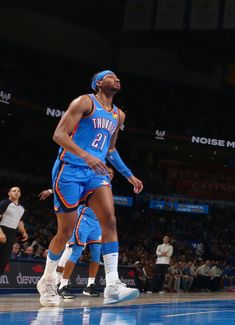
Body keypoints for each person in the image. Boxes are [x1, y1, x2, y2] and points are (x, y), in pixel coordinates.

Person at [37, 70, 143, 306]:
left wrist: (129, 175)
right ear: (98, 83)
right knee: (66, 232)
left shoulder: (119, 115)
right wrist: (86, 156)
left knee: (110, 220)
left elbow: (111, 150)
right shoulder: (85, 101)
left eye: (117, 77)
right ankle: (47, 280)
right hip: (70, 168)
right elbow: (59, 134)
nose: (116, 79)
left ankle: (113, 285)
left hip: (96, 173)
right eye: (110, 76)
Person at [41, 168, 115, 298]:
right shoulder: (92, 181)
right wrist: (51, 191)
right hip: (84, 218)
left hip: (97, 223)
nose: (109, 174)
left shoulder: (108, 187)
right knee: (75, 250)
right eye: (107, 172)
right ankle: (62, 285)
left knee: (97, 254)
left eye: (112, 173)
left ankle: (90, 285)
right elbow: (72, 190)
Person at [0, 186, 29, 277]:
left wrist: (23, 232)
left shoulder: (21, 208)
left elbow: (19, 221)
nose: (16, 192)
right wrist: (0, 233)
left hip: (12, 234)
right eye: (14, 191)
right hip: (2, 230)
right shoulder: (4, 203)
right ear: (9, 193)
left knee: (4, 260)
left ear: (20, 194)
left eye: (18, 191)